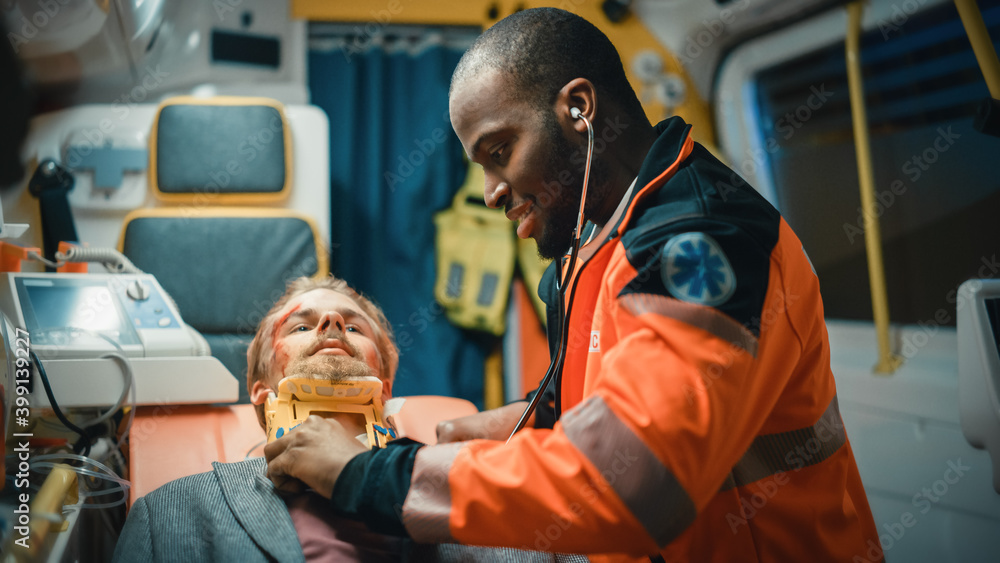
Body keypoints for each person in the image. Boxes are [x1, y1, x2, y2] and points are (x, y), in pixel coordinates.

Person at [264, 8, 882, 563]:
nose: (492, 192)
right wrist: (468, 437)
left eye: (500, 151)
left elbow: (633, 482)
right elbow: (592, 406)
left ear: (579, 109)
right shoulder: (594, 242)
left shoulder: (698, 241)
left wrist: (369, 475)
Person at [113, 275, 581, 562]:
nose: (332, 326)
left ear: (387, 386)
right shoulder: (170, 515)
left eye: (353, 326)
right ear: (260, 391)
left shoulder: (493, 490)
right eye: (301, 326)